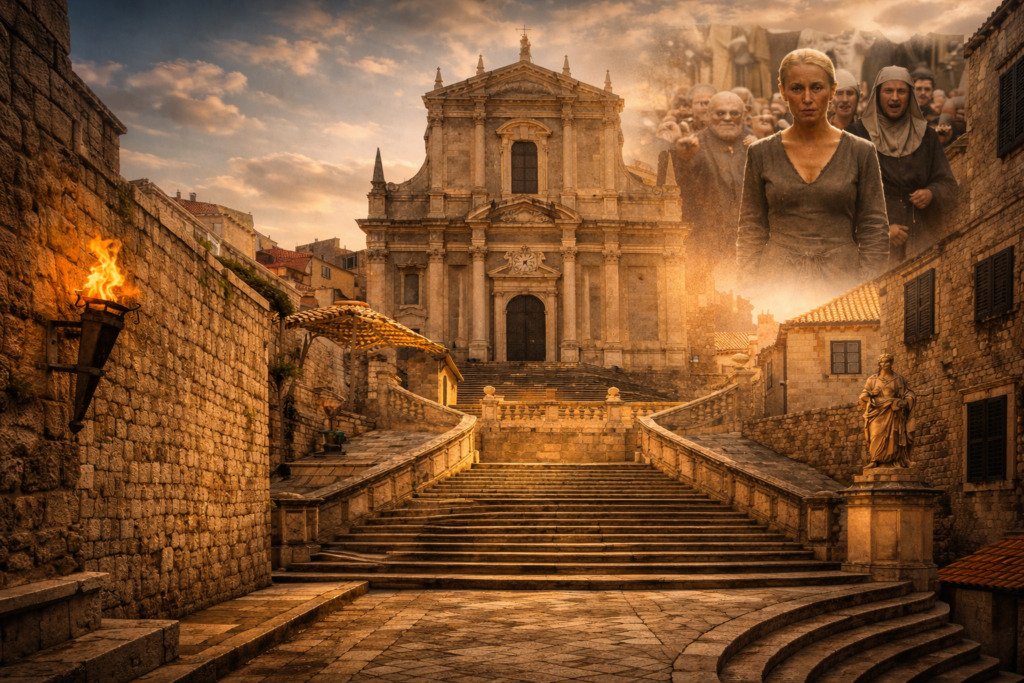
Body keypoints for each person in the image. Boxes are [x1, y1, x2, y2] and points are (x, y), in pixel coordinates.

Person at [736, 49, 889, 301]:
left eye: (817, 88)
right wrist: (748, 290)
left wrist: (867, 289)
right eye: (797, 88)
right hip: (775, 283)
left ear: (832, 90)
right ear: (783, 91)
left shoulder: (860, 151)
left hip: (843, 282)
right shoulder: (761, 153)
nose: (807, 98)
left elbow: (874, 227)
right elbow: (751, 229)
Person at [847, 67, 958, 263]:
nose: (895, 97)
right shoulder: (856, 135)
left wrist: (931, 193)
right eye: (888, 91)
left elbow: (948, 184)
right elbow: (846, 193)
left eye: (902, 91)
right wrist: (882, 231)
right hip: (873, 243)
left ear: (910, 96)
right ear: (877, 95)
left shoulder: (927, 136)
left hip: (920, 236)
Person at [659, 91, 752, 289]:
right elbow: (674, 193)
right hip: (706, 243)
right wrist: (682, 159)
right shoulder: (693, 144)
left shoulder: (754, 144)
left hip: (745, 245)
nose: (727, 118)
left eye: (734, 113)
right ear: (709, 116)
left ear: (744, 116)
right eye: (720, 113)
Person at [859, 354, 917, 469]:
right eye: (882, 362)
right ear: (879, 364)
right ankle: (875, 460)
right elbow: (863, 395)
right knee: (875, 435)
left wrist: (905, 401)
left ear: (891, 363)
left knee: (893, 437)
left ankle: (897, 460)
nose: (885, 364)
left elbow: (909, 393)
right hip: (877, 411)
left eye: (887, 362)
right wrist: (872, 393)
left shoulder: (899, 379)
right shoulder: (872, 380)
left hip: (893, 412)